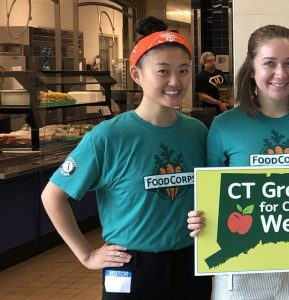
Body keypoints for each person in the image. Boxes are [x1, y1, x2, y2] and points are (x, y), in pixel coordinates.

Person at [41, 16, 212, 299]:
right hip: (131, 266)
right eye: (163, 71)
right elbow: (52, 196)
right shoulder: (108, 137)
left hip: (190, 261)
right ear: (137, 75)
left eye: (183, 71)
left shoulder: (196, 131)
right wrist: (86, 255)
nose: (175, 81)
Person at [186, 24, 289, 300]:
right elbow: (208, 196)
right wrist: (198, 219)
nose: (281, 73)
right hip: (239, 270)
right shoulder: (224, 125)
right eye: (269, 63)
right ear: (251, 69)